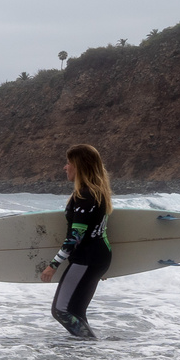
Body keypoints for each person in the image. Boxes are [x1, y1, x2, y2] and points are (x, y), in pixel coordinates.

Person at [39, 143, 113, 339]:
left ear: (80, 166)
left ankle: (92, 344)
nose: (65, 167)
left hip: (86, 260)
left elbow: (76, 237)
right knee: (76, 311)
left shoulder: (85, 196)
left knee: (61, 310)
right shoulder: (97, 192)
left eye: (69, 163)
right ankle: (86, 355)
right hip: (96, 259)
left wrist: (53, 265)